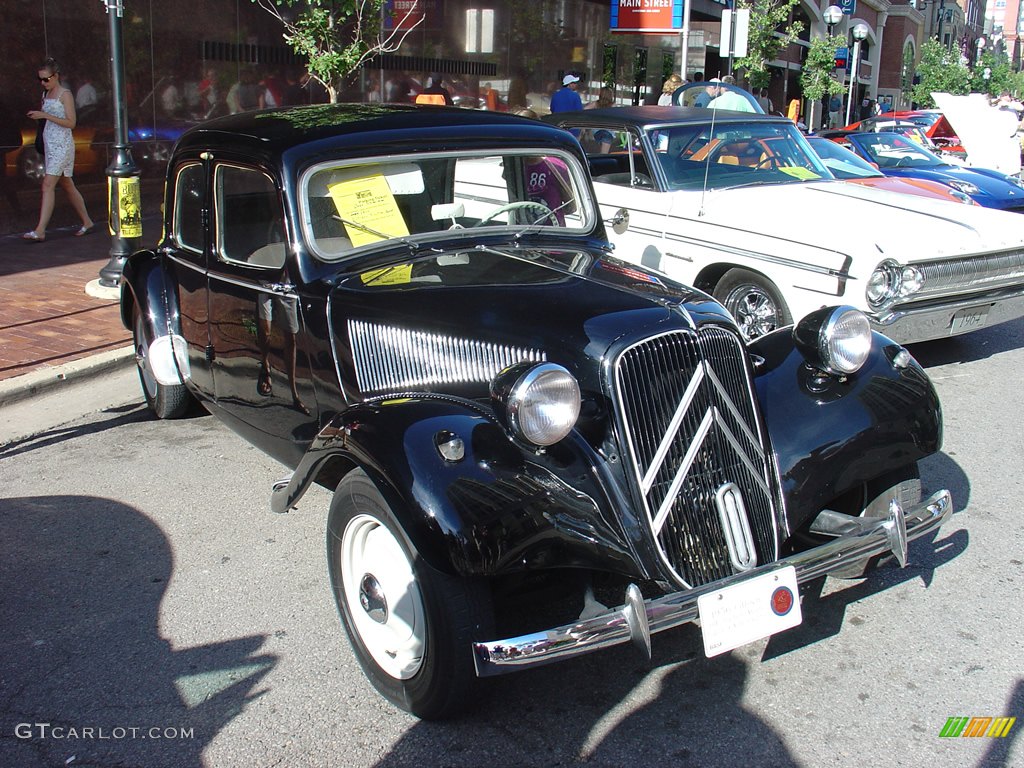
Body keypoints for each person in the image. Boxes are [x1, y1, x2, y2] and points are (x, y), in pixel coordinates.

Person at [23, 58, 94, 242]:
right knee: (67, 185)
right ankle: (87, 221)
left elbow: (71, 123)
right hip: (50, 144)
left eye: (46, 79)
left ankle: (40, 230)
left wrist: (45, 115)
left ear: (56, 76)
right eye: (40, 79)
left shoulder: (65, 94)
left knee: (48, 185)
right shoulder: (46, 95)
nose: (43, 83)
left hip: (62, 145)